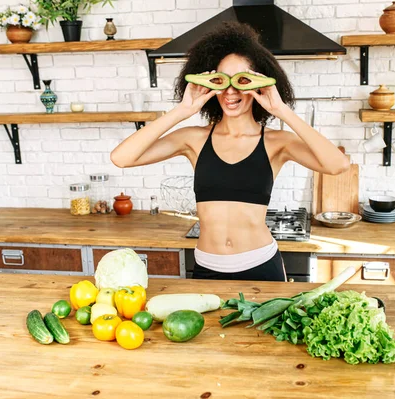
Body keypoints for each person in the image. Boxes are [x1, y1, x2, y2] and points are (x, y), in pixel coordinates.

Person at [111, 22, 349, 281]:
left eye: (242, 81)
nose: (231, 91)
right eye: (221, 81)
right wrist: (182, 110)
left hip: (261, 266)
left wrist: (281, 110)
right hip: (207, 267)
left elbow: (338, 165)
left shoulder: (277, 142)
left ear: (259, 85)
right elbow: (122, 158)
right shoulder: (194, 139)